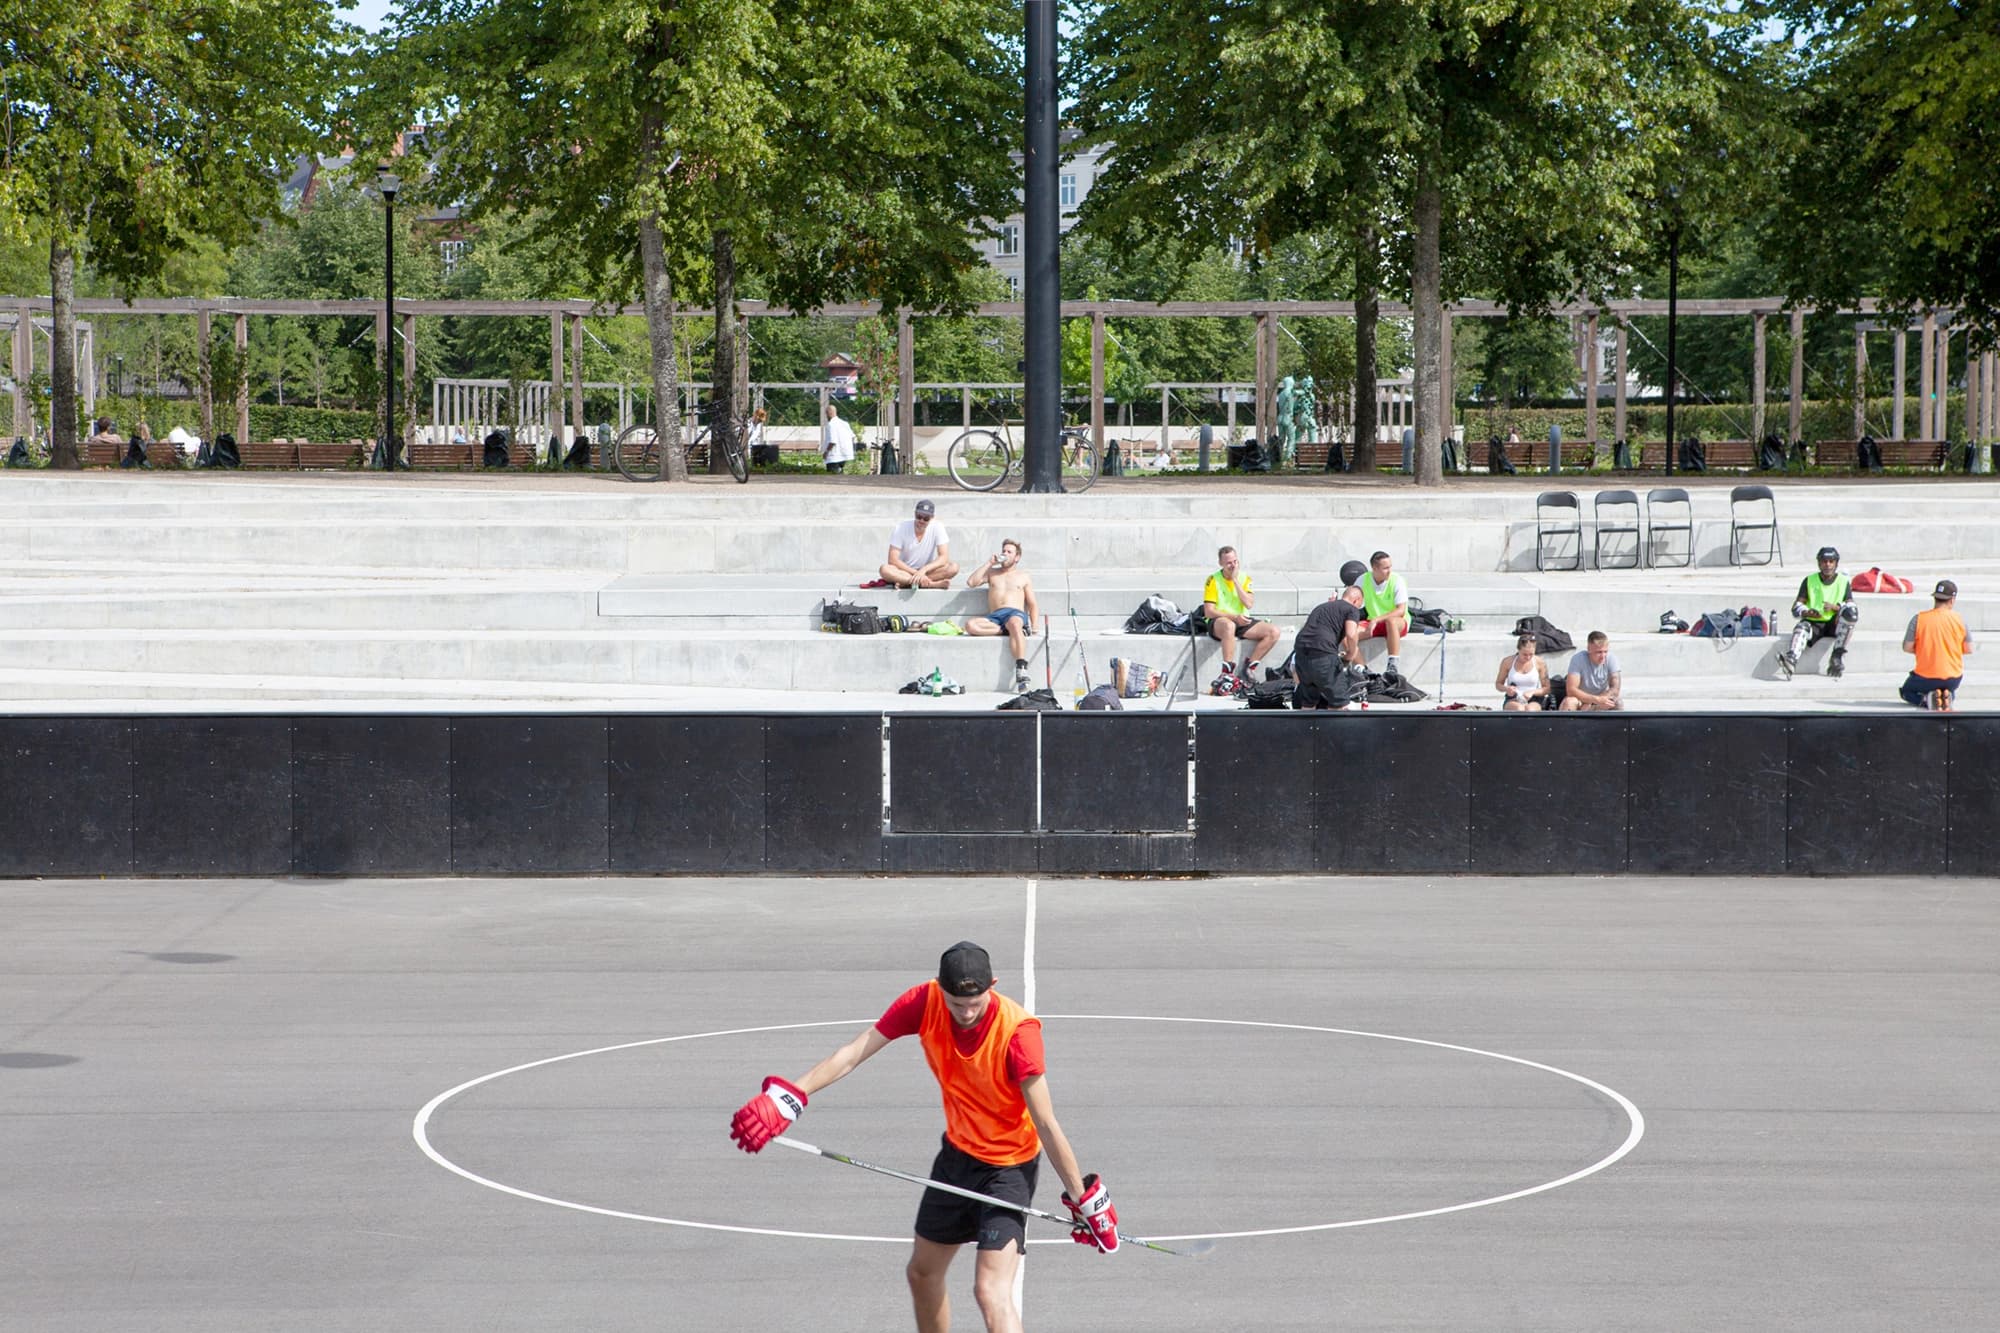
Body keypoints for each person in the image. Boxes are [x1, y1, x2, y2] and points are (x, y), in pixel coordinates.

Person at [729, 942, 1117, 1333]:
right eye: (956, 1003)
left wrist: (1083, 1199)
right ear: (939, 988)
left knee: (990, 1290)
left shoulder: (1019, 1034)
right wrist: (791, 1096)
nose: (965, 1013)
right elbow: (854, 1052)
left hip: (1008, 1169)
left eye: (975, 1003)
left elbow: (1046, 1123)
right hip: (957, 1159)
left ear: (992, 986)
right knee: (922, 1274)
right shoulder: (923, 1002)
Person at [1201, 545, 1281, 695]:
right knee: (1229, 626)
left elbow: (1249, 603)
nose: (1233, 566)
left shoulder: (1245, 578)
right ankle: (1227, 673)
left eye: (1235, 562)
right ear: (1221, 564)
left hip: (1241, 620)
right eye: (1228, 563)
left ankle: (1249, 668)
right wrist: (1234, 617)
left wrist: (1235, 581)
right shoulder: (1212, 580)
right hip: (1220, 621)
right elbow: (1209, 611)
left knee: (1273, 632)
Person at [966, 539, 1040, 693]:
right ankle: (1004, 631)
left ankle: (1021, 668)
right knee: (970, 626)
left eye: (1009, 552)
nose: (1005, 554)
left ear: (1017, 557)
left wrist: (1035, 627)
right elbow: (971, 582)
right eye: (1003, 551)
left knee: (1014, 624)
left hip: (1015, 613)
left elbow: (1032, 604)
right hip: (995, 617)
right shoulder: (992, 573)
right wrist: (989, 563)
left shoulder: (1023, 576)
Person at [1778, 546, 1858, 679]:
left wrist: (1835, 607)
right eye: (1824, 561)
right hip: (1814, 623)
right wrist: (1807, 612)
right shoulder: (1809, 580)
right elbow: (1796, 607)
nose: (1827, 565)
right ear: (1819, 563)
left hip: (1834, 623)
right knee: (1801, 627)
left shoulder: (1843, 582)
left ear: (1836, 563)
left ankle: (1837, 657)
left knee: (1851, 615)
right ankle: (1791, 659)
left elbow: (1851, 605)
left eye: (1831, 561)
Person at [1899, 579, 1973, 711]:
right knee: (1947, 690)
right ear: (1952, 600)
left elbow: (1907, 647)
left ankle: (1926, 700)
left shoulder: (1919, 619)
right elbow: (1969, 649)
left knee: (1906, 692)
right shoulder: (1960, 620)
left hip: (1925, 677)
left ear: (1935, 598)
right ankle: (1948, 696)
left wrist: (1925, 649)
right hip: (1953, 678)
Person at [1292, 585, 1368, 709]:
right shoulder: (1352, 609)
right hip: (1323, 653)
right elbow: (1351, 634)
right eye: (1359, 605)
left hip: (1301, 653)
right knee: (1340, 703)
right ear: (1356, 601)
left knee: (1308, 703)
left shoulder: (1321, 607)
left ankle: (1306, 727)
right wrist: (1351, 654)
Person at [1354, 550, 1411, 682]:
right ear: (1374, 568)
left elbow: (1401, 610)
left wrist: (1377, 619)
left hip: (1397, 623)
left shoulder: (1397, 580)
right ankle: (1362, 669)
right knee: (1347, 634)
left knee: (1391, 621)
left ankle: (1392, 664)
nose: (1389, 571)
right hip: (1373, 623)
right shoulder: (1363, 580)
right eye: (1385, 568)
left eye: (1390, 567)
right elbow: (1352, 603)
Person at [881, 498, 960, 589]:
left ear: (932, 517)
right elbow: (892, 560)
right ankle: (928, 584)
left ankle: (906, 582)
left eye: (926, 518)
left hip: (926, 571)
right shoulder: (901, 527)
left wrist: (923, 570)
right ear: (914, 514)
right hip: (905, 571)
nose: (921, 521)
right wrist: (916, 573)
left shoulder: (938, 527)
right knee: (884, 569)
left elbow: (944, 557)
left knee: (953, 567)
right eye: (919, 516)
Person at [1560, 631, 1622, 711]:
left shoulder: (1611, 659)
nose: (1603, 656)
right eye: (1599, 652)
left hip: (1600, 700)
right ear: (1589, 649)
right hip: (1580, 700)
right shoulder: (1578, 659)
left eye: (1605, 651)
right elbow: (1571, 690)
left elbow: (1615, 688)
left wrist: (1594, 702)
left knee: (1617, 701)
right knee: (1569, 702)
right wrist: (1594, 700)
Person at [1496, 635, 1551, 711]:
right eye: (1524, 654)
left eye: (1531, 654)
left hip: (1534, 699)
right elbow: (1498, 684)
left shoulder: (1540, 662)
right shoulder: (1507, 662)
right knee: (1519, 709)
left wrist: (1533, 692)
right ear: (1518, 650)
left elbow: (1547, 688)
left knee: (1530, 709)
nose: (1528, 657)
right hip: (1513, 698)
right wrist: (1507, 688)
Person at [821, 402, 856, 474]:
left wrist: (826, 452)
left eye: (826, 413)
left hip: (833, 456)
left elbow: (833, 441)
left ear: (829, 413)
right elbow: (852, 437)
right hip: (844, 455)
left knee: (832, 476)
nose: (826, 416)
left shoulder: (831, 424)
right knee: (840, 473)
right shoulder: (844, 423)